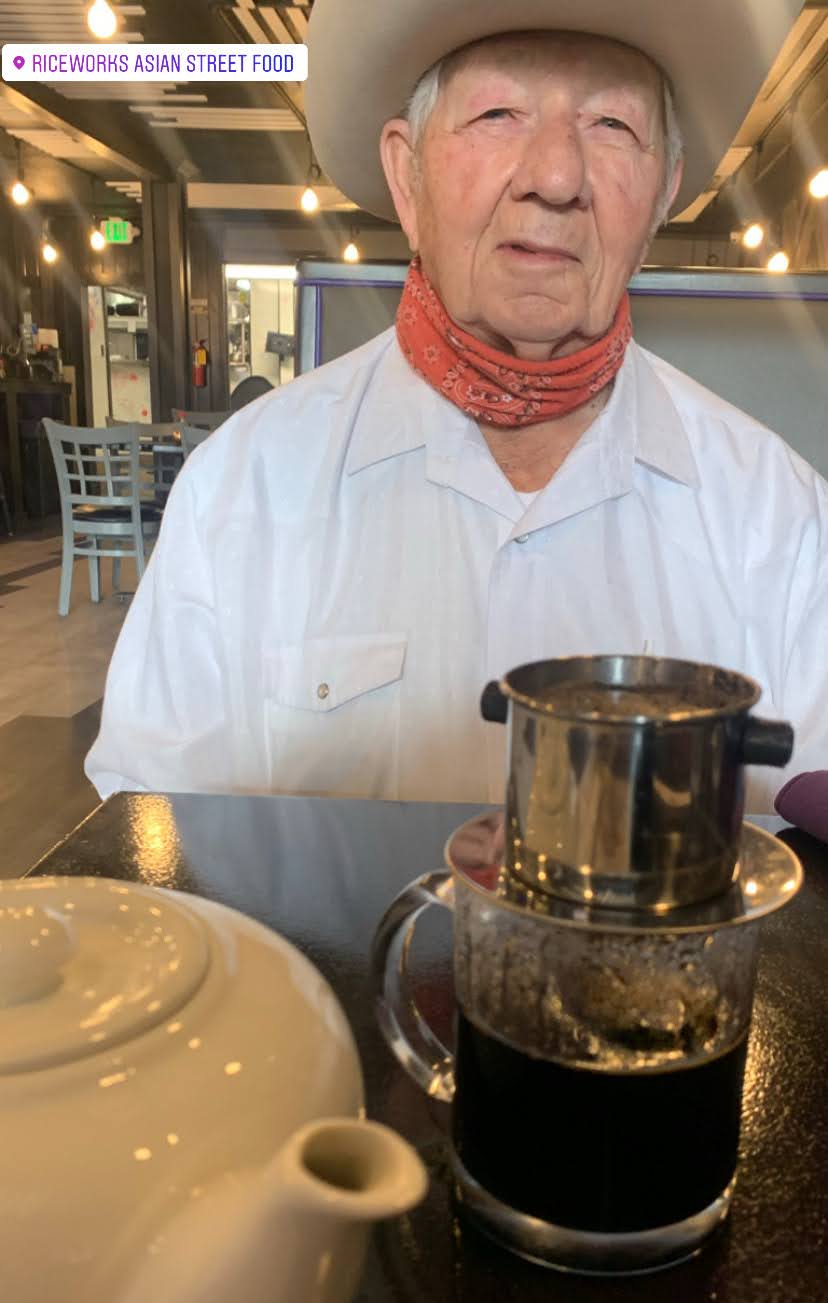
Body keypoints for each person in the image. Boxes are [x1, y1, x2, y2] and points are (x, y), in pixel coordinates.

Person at [86, 0, 825, 819]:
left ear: (662, 196)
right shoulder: (243, 487)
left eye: (613, 124)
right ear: (408, 176)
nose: (556, 176)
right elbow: (149, 832)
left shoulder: (777, 515)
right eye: (498, 113)